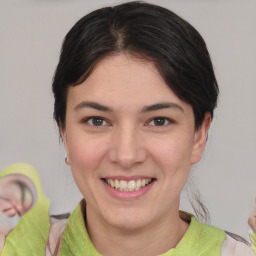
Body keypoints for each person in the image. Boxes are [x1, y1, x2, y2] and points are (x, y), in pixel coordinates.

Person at [0, 1, 254, 255]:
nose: (126, 155)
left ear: (199, 135)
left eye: (159, 121)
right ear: (64, 133)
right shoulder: (17, 246)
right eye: (97, 120)